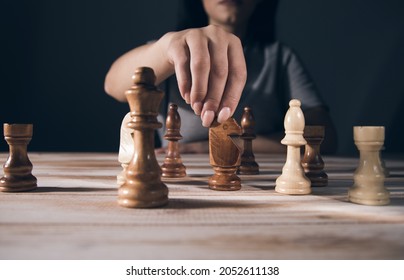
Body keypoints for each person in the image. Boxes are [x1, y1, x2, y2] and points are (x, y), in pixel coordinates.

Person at [105, 0, 338, 154]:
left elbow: (324, 137)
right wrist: (165, 48)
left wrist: (216, 146)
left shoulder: (279, 58)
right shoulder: (172, 52)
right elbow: (113, 85)